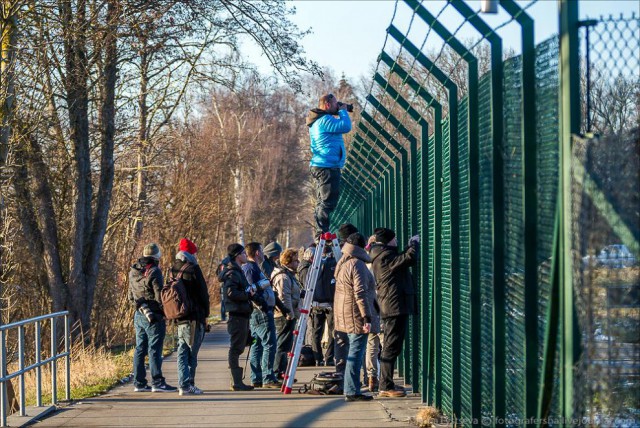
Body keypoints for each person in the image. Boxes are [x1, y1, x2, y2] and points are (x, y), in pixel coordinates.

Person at [369, 227, 419, 398]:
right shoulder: (384, 257)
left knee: (392, 345)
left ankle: (386, 382)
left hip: (393, 305)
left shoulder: (380, 254)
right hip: (393, 306)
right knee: (391, 346)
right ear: (390, 241)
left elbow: (401, 260)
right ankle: (385, 385)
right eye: (395, 239)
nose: (396, 241)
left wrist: (408, 248)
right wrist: (413, 245)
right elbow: (407, 259)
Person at [333, 232, 377, 402]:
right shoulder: (357, 264)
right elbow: (360, 292)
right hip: (356, 314)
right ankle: (352, 390)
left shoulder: (343, 262)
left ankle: (350, 388)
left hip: (345, 313)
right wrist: (366, 317)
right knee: (356, 353)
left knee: (352, 352)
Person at [128, 243, 177, 392]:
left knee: (140, 348)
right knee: (154, 349)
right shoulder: (154, 271)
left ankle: (139, 382)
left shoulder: (133, 270)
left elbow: (130, 295)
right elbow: (159, 296)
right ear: (157, 256)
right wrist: (164, 313)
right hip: (153, 315)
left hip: (139, 313)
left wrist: (139, 306)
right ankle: (157, 381)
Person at [242, 242, 289, 388]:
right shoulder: (250, 268)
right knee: (269, 343)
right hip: (260, 312)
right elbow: (250, 290)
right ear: (257, 252)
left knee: (258, 345)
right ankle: (267, 377)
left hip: (260, 311)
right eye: (261, 251)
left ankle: (257, 377)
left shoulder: (254, 268)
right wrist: (262, 304)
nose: (263, 254)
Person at [306, 93, 352, 236]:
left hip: (324, 164)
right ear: (327, 105)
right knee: (327, 202)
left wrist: (340, 110)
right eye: (335, 104)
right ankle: (322, 233)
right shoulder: (325, 119)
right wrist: (343, 111)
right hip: (327, 165)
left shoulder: (320, 120)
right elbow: (346, 126)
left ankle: (321, 232)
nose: (337, 106)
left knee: (324, 201)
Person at [171, 238, 210, 395]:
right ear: (191, 253)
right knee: (192, 353)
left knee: (182, 350)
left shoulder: (175, 268)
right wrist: (206, 314)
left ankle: (182, 384)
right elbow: (203, 294)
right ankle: (189, 385)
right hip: (195, 316)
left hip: (181, 316)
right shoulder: (193, 269)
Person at [219, 243, 254, 391]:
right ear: (237, 255)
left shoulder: (237, 270)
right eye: (244, 253)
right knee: (236, 348)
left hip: (242, 314)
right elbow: (231, 293)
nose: (246, 255)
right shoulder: (232, 272)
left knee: (239, 346)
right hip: (237, 314)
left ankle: (237, 381)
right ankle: (236, 382)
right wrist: (247, 294)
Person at [272, 248, 302, 378]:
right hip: (284, 316)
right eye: (295, 261)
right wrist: (289, 314)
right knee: (282, 344)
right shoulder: (283, 276)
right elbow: (284, 297)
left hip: (289, 314)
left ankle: (282, 371)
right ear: (288, 262)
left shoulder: (289, 275)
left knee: (286, 344)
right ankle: (277, 371)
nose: (298, 263)